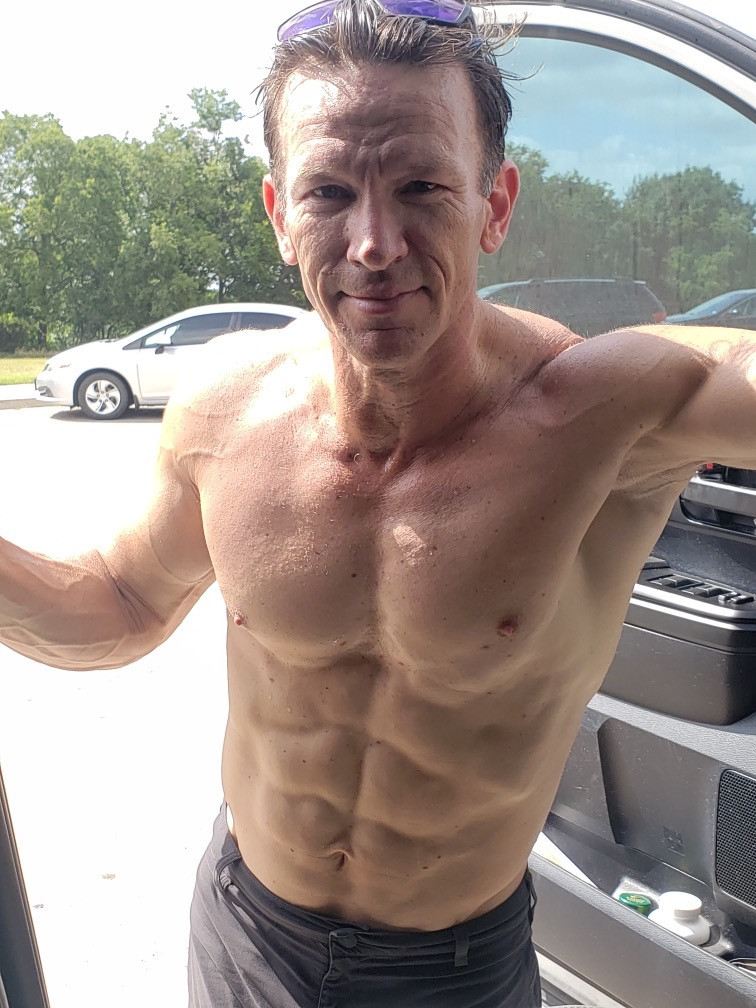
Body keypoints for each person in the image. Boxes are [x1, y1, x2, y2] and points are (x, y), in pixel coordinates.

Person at [2, 0, 756, 1005]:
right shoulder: (225, 409)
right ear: (280, 215)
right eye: (328, 192)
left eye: (420, 187)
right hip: (247, 935)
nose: (373, 243)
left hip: (452, 973)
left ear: (493, 204)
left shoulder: (608, 413)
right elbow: (123, 603)